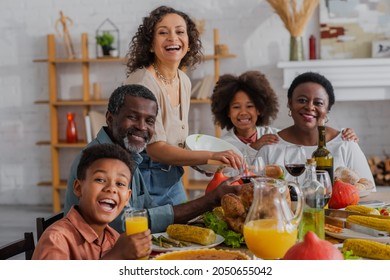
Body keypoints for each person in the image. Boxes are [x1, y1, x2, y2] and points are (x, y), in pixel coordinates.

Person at [64, 84, 242, 234]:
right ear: (110, 118)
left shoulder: (127, 157)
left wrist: (199, 216)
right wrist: (210, 200)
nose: (142, 127)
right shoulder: (98, 160)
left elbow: (151, 209)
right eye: (132, 117)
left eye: (149, 121)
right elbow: (123, 224)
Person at [124, 6, 241, 206]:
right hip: (141, 179)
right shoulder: (142, 83)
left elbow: (175, 140)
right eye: (163, 32)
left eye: (180, 32)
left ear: (189, 42)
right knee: (152, 237)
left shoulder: (183, 80)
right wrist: (209, 155)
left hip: (172, 178)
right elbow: (156, 149)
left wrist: (203, 163)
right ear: (150, 45)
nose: (173, 37)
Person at [33, 144, 152, 260]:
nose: (111, 188)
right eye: (100, 179)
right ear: (78, 188)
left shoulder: (113, 237)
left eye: (120, 183)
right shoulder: (56, 240)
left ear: (127, 197)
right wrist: (116, 257)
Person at [257, 72, 375, 188]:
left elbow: (369, 192)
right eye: (302, 100)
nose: (309, 107)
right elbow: (253, 194)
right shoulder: (270, 146)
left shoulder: (346, 145)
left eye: (318, 103)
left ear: (328, 109)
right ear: (290, 103)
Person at [211, 70, 359, 158]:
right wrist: (254, 147)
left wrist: (344, 135)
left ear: (260, 109)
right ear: (227, 111)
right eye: (236, 107)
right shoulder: (223, 145)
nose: (243, 112)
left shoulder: (273, 135)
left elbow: (300, 142)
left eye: (250, 106)